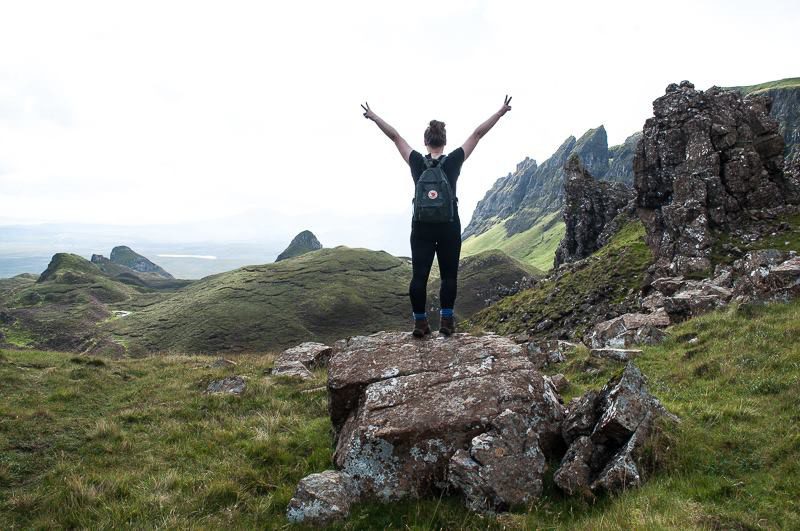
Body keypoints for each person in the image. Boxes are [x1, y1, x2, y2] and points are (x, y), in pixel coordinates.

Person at [361, 96, 512, 337]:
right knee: (448, 276)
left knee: (419, 275)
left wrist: (374, 116)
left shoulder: (416, 162)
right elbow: (477, 135)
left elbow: (395, 137)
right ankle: (446, 322)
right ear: (444, 141)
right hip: (449, 226)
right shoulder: (453, 161)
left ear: (425, 141)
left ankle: (420, 323)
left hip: (421, 226)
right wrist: (500, 112)